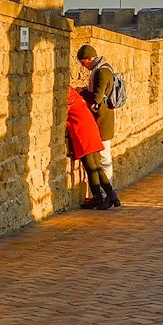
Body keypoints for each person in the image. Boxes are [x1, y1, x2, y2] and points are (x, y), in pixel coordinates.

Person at [65, 87, 119, 209]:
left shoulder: (66, 94)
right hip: (89, 128)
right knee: (96, 166)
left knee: (91, 167)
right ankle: (111, 194)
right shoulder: (72, 93)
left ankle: (98, 197)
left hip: (82, 130)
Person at [76, 43, 116, 185]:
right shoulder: (102, 69)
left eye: (82, 62)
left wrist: (82, 92)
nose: (83, 66)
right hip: (103, 116)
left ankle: (108, 190)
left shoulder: (101, 71)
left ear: (89, 59)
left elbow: (96, 98)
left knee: (104, 156)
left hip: (103, 118)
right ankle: (106, 190)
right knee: (103, 155)